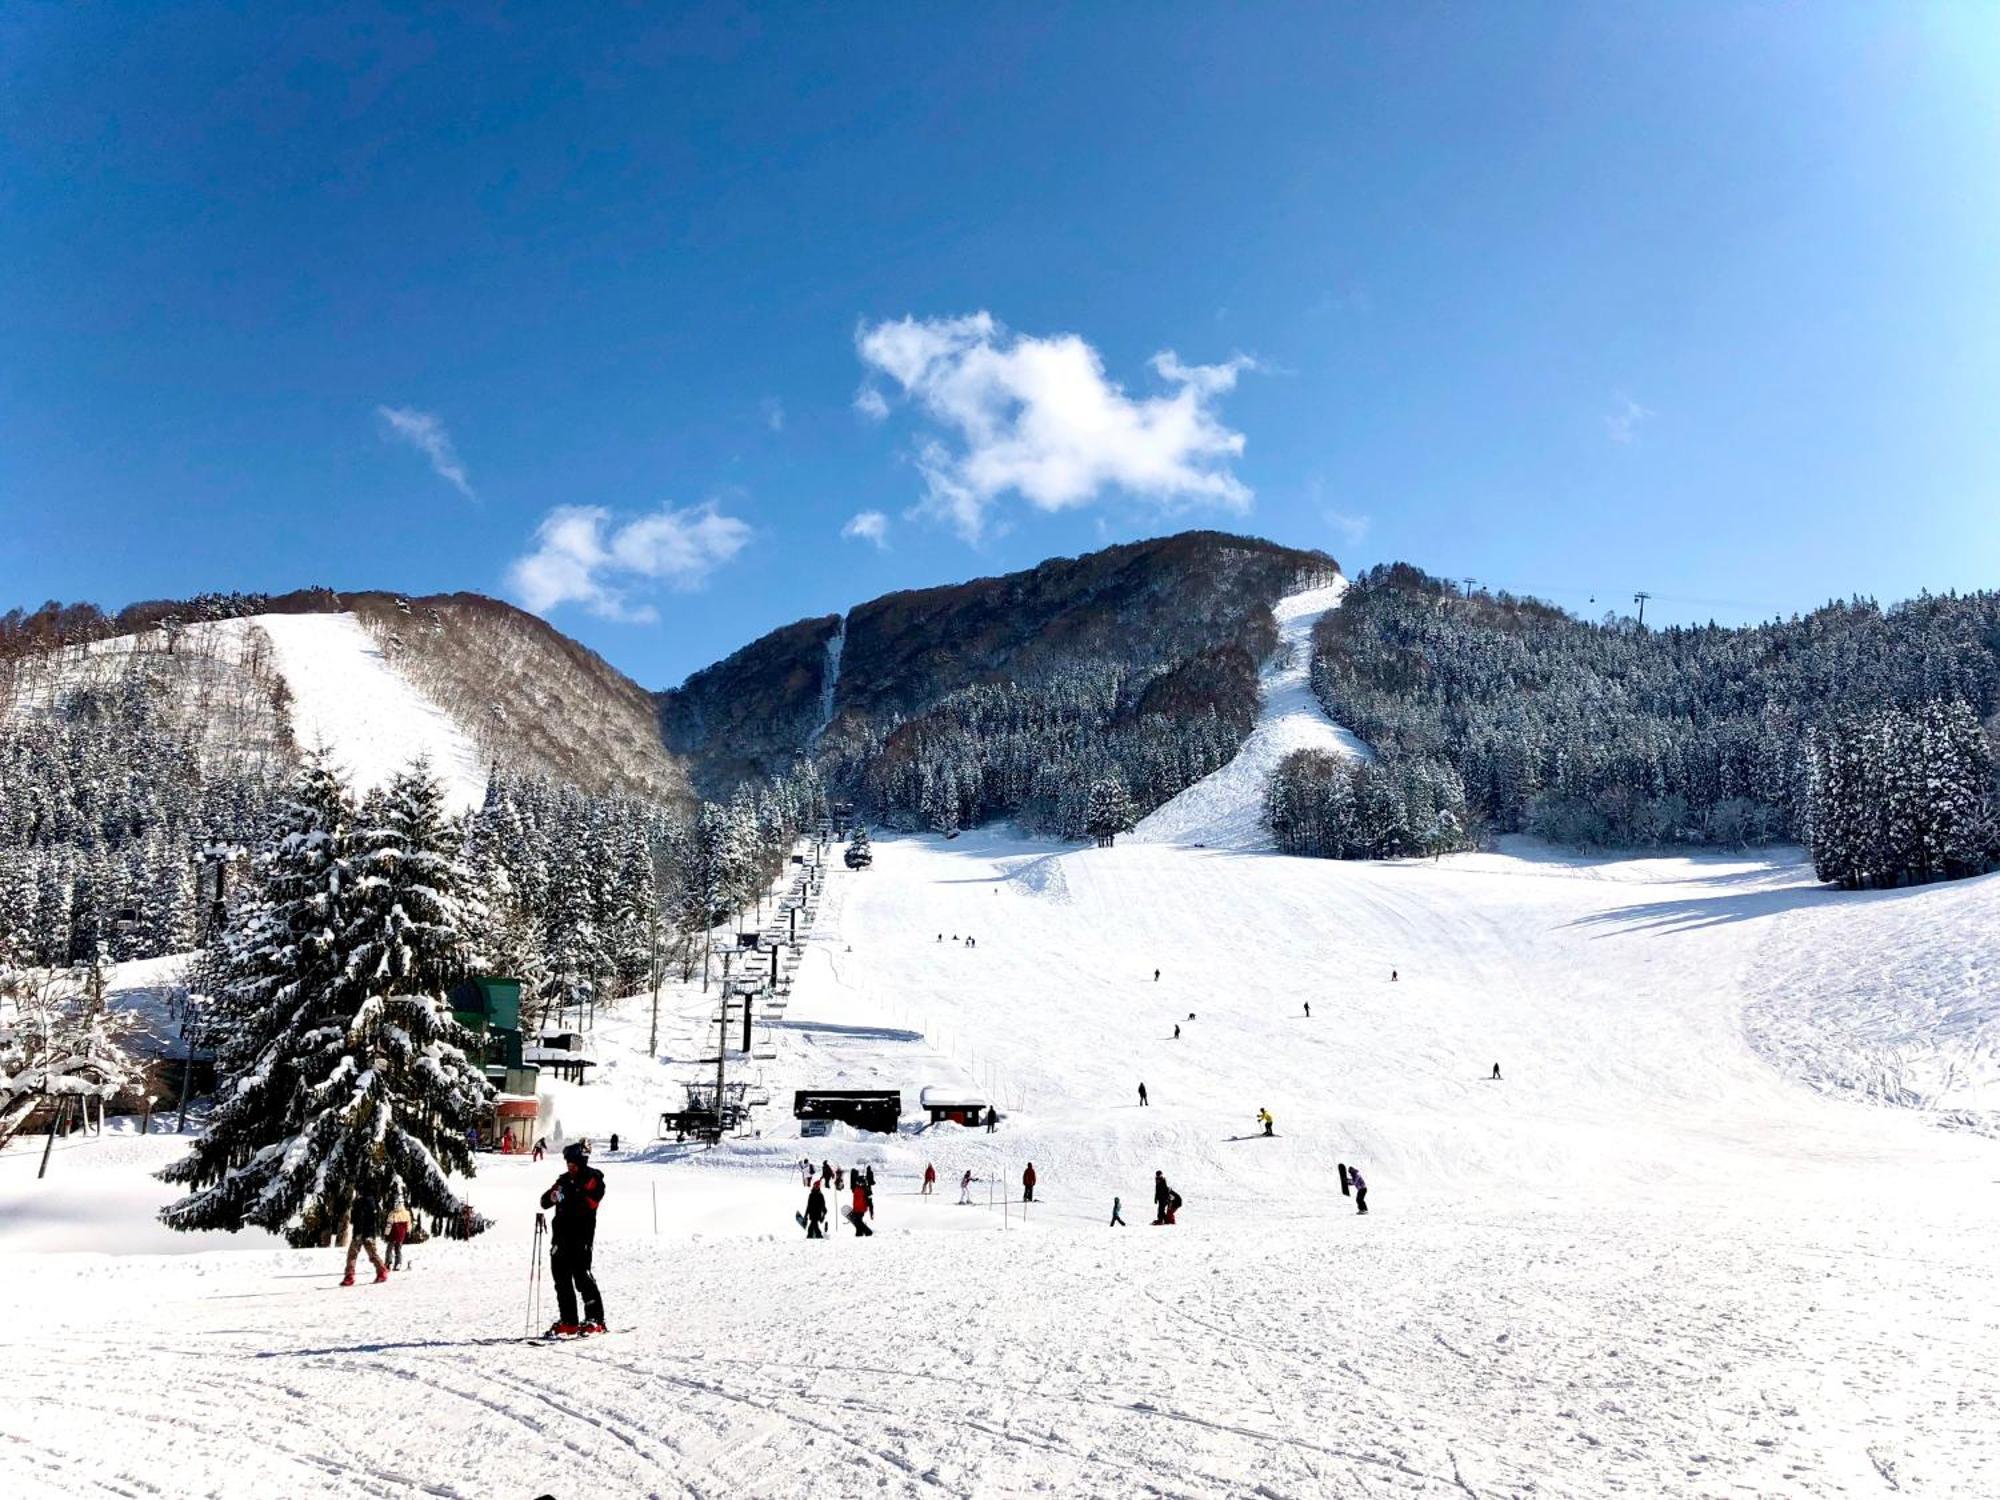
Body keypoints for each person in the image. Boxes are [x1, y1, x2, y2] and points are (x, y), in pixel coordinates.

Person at [539, 1143, 607, 1336]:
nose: (570, 1167)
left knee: (582, 1277)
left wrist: (569, 1195)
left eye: (574, 1164)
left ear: (582, 1162)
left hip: (581, 1237)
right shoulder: (563, 1180)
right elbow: (544, 1202)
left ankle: (596, 1320)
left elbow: (590, 1202)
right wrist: (552, 1197)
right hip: (560, 1237)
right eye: (568, 1163)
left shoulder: (593, 1179)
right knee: (561, 1280)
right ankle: (569, 1321)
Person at [342, 1191, 389, 1286]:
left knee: (352, 1255)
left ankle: (349, 1276)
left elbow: (354, 1219)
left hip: (359, 1232)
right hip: (370, 1232)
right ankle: (382, 1271)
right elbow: (376, 1219)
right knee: (373, 1254)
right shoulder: (373, 1202)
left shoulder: (359, 1202)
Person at [385, 1199, 412, 1270]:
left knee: (389, 1249)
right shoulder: (406, 1213)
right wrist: (408, 1232)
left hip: (393, 1235)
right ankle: (398, 1263)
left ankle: (388, 1262)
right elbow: (409, 1224)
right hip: (401, 1235)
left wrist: (386, 1233)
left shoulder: (392, 1213)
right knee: (398, 1249)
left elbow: (389, 1225)